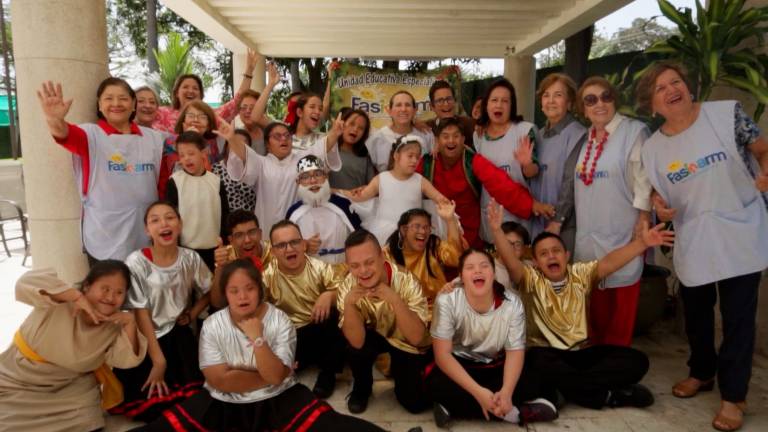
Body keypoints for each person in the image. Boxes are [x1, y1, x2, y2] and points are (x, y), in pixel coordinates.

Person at [636, 61, 768, 432]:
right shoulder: (654, 147)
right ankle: (702, 371)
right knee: (696, 312)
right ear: (652, 104)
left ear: (688, 86)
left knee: (738, 318)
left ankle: (733, 396)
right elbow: (660, 197)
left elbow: (762, 150)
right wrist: (661, 208)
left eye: (675, 81)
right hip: (694, 235)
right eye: (660, 88)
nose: (671, 90)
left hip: (739, 229)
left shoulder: (727, 115)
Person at [135, 260, 385, 432]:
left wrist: (257, 339)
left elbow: (277, 377)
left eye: (249, 289)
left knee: (331, 425)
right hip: (222, 401)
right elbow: (220, 380)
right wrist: (270, 373)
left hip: (279, 397)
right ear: (225, 294)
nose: (242, 296)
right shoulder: (212, 324)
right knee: (165, 427)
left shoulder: (279, 320)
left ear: (259, 290)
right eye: (234, 291)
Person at [489, 200, 670, 411]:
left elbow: (610, 263)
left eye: (556, 251)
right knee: (536, 362)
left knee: (636, 360)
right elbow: (511, 261)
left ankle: (567, 388)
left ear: (566, 256)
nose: (551, 256)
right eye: (544, 254)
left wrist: (642, 244)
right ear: (536, 262)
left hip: (581, 354)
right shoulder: (530, 278)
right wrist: (495, 230)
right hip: (546, 354)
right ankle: (607, 396)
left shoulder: (579, 274)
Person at [0, 263, 146, 432]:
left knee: (88, 422)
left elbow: (125, 360)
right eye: (105, 288)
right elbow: (25, 282)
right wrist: (75, 297)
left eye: (119, 292)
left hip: (70, 387)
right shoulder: (59, 298)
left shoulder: (113, 326)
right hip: (20, 377)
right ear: (87, 286)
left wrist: (130, 323)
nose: (111, 297)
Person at [426, 248, 558, 428]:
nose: (477, 271)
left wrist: (506, 392)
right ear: (461, 277)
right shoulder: (447, 301)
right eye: (470, 267)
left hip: (496, 365)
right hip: (462, 366)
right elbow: (443, 355)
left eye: (484, 266)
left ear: (493, 273)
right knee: (436, 385)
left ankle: (459, 408)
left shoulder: (512, 303)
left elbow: (515, 352)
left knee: (537, 377)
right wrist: (479, 393)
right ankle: (516, 413)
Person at [38, 79, 164, 262]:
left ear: (133, 104)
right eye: (108, 99)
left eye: (123, 98)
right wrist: (54, 119)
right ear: (99, 104)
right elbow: (64, 134)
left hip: (145, 232)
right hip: (105, 233)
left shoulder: (154, 138)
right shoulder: (91, 135)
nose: (116, 104)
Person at [111, 201, 212, 422]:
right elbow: (140, 312)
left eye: (169, 217)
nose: (163, 224)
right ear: (147, 230)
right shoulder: (136, 262)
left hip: (178, 336)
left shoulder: (191, 258)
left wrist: (193, 313)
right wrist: (159, 361)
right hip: (147, 339)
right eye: (154, 220)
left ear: (179, 224)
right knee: (152, 408)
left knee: (195, 404)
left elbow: (210, 291)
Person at [573, 76, 652, 347]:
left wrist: (642, 221)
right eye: (590, 100)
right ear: (583, 108)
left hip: (622, 238)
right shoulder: (586, 141)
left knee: (619, 323)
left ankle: (617, 378)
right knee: (593, 319)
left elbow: (644, 183)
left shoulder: (634, 132)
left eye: (606, 96)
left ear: (614, 99)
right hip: (588, 243)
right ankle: (595, 379)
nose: (599, 104)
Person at [227, 64, 345, 232]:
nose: (283, 139)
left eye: (286, 137)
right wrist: (270, 84)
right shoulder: (265, 157)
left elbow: (324, 145)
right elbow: (246, 152)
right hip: (266, 229)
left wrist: (335, 133)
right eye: (277, 136)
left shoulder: (304, 156)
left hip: (301, 223)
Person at [338, 229, 432, 414]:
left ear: (382, 256)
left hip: (403, 338)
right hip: (371, 335)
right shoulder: (348, 286)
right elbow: (356, 342)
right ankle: (361, 388)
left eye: (369, 262)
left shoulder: (407, 281)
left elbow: (417, 338)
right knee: (355, 348)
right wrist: (349, 305)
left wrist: (395, 300)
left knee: (413, 404)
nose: (363, 271)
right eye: (355, 265)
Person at [419, 116, 550, 248]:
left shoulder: (472, 161)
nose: (451, 141)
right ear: (437, 141)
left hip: (470, 234)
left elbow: (500, 184)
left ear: (463, 139)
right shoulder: (427, 163)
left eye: (456, 136)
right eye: (445, 136)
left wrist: (531, 205)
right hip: (436, 236)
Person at [258, 220, 347, 398]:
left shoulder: (319, 267)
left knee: (339, 314)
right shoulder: (266, 276)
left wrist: (328, 295)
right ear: (273, 251)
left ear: (303, 244)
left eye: (294, 242)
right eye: (282, 245)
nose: (289, 249)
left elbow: (345, 289)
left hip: (319, 327)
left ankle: (327, 373)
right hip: (291, 337)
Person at [341, 135, 449, 245]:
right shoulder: (381, 179)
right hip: (384, 232)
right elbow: (361, 196)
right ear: (396, 156)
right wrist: (337, 191)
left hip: (413, 233)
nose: (414, 160)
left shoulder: (420, 180)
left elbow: (437, 197)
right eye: (410, 156)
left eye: (417, 157)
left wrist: (444, 202)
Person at [474, 78, 540, 238]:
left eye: (505, 101)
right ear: (486, 105)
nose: (499, 105)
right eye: (494, 100)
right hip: (491, 213)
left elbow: (533, 172)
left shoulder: (525, 130)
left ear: (512, 106)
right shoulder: (478, 135)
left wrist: (527, 164)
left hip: (519, 214)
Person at [531, 73, 588, 247]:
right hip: (537, 223)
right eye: (546, 95)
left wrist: (558, 220)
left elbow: (570, 181)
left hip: (564, 226)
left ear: (569, 102)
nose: (551, 101)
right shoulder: (537, 135)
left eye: (558, 95)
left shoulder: (578, 134)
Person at [151, 49, 261, 133]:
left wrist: (249, 71)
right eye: (185, 87)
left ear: (201, 95)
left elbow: (238, 101)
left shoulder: (212, 115)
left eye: (195, 88)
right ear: (176, 93)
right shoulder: (162, 113)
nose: (191, 91)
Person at [165, 131, 229, 271]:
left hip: (213, 251)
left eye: (191, 153)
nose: (186, 159)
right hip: (185, 251)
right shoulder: (175, 181)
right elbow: (170, 218)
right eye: (182, 155)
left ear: (203, 152)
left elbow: (225, 216)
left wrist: (224, 245)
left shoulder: (216, 181)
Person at [287, 155, 362, 264]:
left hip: (342, 270)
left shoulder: (343, 205)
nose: (313, 181)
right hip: (309, 273)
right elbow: (287, 248)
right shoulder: (293, 212)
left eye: (317, 174)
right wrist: (304, 245)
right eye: (306, 176)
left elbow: (360, 239)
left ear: (326, 176)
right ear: (298, 182)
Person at [383, 204, 461, 308]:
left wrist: (450, 220)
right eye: (417, 226)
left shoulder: (433, 244)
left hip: (439, 308)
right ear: (404, 230)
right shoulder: (387, 254)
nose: (423, 231)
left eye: (426, 227)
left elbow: (456, 259)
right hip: (407, 314)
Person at [366, 90, 435, 172]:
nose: (403, 109)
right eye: (398, 105)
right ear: (389, 111)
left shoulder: (426, 135)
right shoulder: (375, 139)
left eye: (408, 105)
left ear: (414, 110)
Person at [328, 108, 377, 189]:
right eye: (352, 124)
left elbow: (372, 187)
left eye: (361, 128)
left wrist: (365, 189)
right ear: (342, 124)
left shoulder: (365, 158)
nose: (355, 129)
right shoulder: (328, 150)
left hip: (358, 201)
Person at [212, 129, 259, 212]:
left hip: (248, 220)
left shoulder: (256, 170)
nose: (238, 146)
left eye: (244, 143)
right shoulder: (214, 169)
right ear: (226, 146)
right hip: (223, 221)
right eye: (235, 142)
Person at [426, 80, 476, 148]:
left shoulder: (470, 124)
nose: (446, 104)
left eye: (449, 99)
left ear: (455, 101)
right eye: (440, 101)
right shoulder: (426, 128)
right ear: (432, 106)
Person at [493, 221, 531, 292]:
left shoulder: (530, 269)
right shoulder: (488, 268)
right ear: (496, 245)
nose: (511, 248)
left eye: (517, 244)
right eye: (507, 243)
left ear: (524, 249)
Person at [233, 89, 270, 154]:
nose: (248, 111)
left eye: (253, 108)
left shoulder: (270, 133)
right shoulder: (236, 135)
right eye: (244, 108)